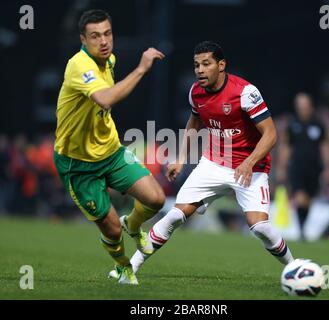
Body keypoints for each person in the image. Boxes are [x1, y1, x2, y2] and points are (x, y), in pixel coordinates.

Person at [112, 40, 294, 277]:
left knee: (260, 228)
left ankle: (294, 268)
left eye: (206, 64)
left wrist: (248, 162)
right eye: (196, 65)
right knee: (174, 216)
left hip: (251, 167)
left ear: (221, 65)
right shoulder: (195, 93)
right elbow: (194, 122)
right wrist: (180, 158)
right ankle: (129, 268)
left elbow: (271, 134)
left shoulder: (246, 93)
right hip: (213, 164)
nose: (199, 70)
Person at [53, 9, 166, 285]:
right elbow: (104, 99)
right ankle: (124, 268)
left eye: (107, 34)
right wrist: (141, 69)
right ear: (83, 39)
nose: (103, 41)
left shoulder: (109, 60)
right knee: (111, 229)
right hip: (77, 164)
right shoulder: (79, 65)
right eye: (95, 36)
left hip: (110, 151)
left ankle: (133, 224)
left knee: (156, 199)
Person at [277, 93, 329, 240]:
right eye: (300, 106)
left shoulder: (319, 125)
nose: (303, 109)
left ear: (311, 106)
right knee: (300, 197)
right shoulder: (292, 125)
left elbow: (325, 146)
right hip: (297, 166)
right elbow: (286, 147)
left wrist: (328, 167)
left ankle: (303, 225)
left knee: (308, 199)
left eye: (305, 106)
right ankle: (301, 228)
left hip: (314, 167)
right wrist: (282, 167)